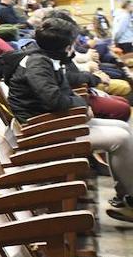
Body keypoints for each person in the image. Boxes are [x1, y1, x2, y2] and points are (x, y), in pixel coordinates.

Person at [7, 17, 133, 223]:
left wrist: (81, 105)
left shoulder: (46, 58)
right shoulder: (38, 63)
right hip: (45, 131)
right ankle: (130, 199)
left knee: (122, 128)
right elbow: (55, 99)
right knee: (120, 138)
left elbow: (65, 88)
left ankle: (126, 197)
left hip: (56, 122)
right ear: (66, 45)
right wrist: (82, 106)